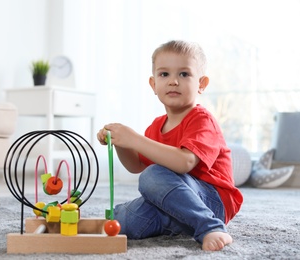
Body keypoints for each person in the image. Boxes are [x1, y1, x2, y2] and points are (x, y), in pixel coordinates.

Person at [97, 40, 243, 251]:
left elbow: (185, 162)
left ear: (201, 84)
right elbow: (136, 165)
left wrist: (134, 138)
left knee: (152, 176)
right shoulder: (156, 126)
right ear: (153, 84)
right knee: (121, 219)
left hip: (211, 201)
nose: (173, 81)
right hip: (173, 199)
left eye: (184, 74)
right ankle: (178, 222)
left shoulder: (202, 120)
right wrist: (121, 143)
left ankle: (209, 226)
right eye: (164, 74)